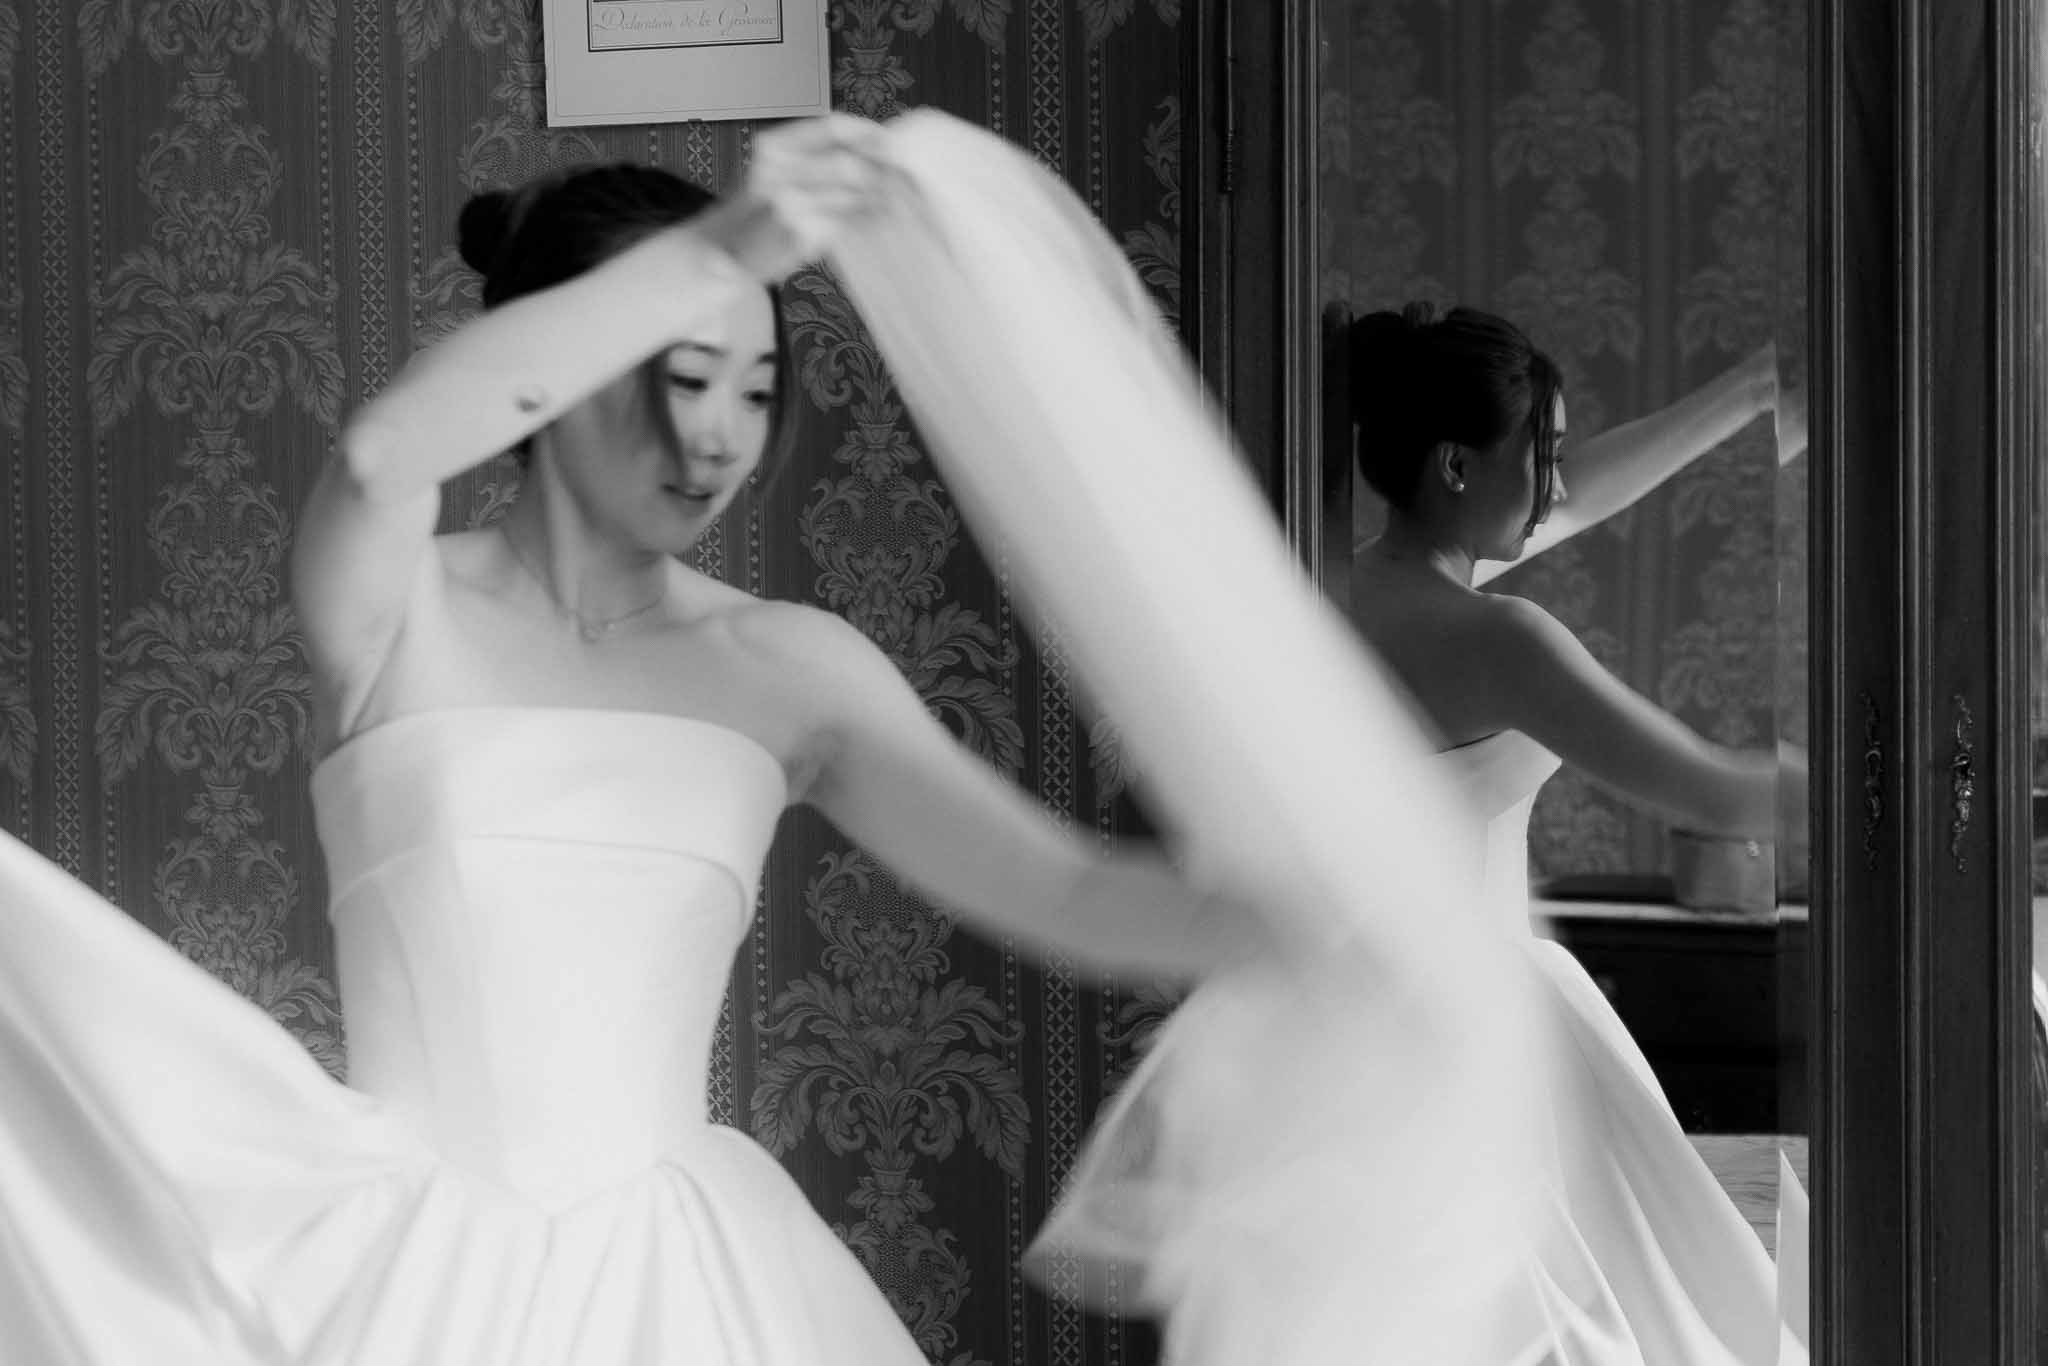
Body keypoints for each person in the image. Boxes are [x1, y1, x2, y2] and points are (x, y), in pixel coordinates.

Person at [0, 115, 1274, 1365]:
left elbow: (1069, 888)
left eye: (756, 389)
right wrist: (727, 247)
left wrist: (1325, 923)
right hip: (407, 1278)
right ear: (555, 367)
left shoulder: (789, 667)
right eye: (682, 374)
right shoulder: (398, 609)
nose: (719, 434)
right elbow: (388, 450)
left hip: (689, 1286)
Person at [1339, 300, 1807, 1363]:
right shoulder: (1498, 641)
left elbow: (1578, 493)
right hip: (1478, 1033)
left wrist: (1747, 387)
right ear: (1455, 468)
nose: (1555, 484)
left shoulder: (1339, 583)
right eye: (1536, 453)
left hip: (1362, 1028)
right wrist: (1894, 786)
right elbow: (1706, 791)